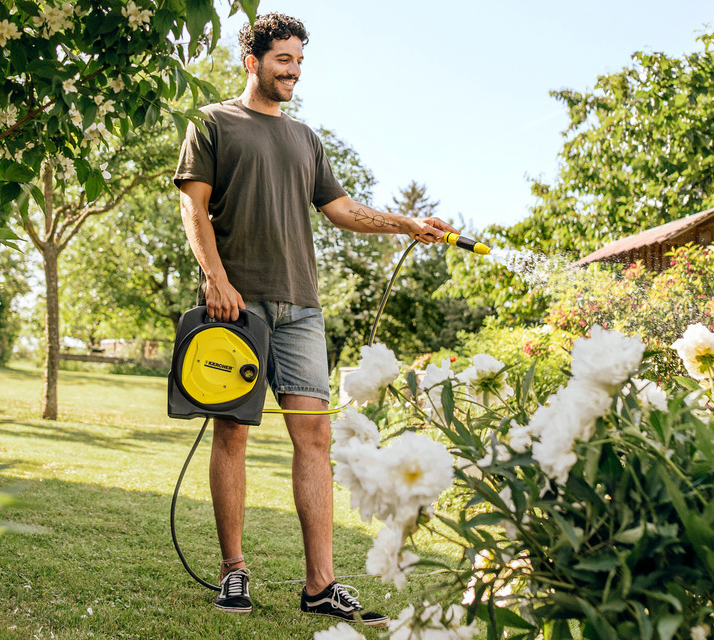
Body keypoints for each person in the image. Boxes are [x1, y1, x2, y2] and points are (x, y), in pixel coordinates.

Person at [173, 12, 458, 628]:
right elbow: (193, 207)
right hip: (237, 308)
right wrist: (217, 280)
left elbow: (342, 210)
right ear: (253, 61)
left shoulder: (306, 139)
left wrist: (409, 224)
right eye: (284, 60)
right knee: (233, 433)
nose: (294, 72)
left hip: (302, 306)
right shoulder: (212, 123)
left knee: (316, 437)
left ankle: (320, 585)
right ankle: (234, 571)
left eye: (300, 61)